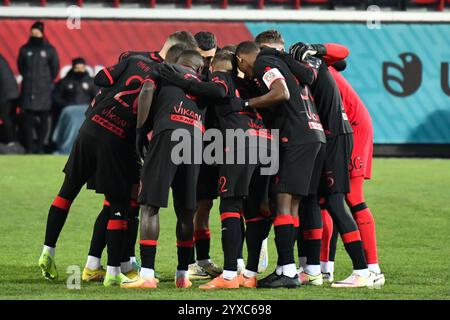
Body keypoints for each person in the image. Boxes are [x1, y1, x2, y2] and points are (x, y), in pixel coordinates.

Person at [38, 55, 156, 288]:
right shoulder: (154, 74)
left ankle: (50, 251)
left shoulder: (118, 77)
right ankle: (117, 268)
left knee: (67, 192)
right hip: (116, 140)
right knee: (119, 203)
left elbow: (100, 79)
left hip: (88, 131)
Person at [81, 42, 192, 283]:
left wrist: (140, 132)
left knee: (131, 204)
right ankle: (114, 267)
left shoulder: (150, 70)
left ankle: (123, 267)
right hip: (131, 140)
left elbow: (109, 82)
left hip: (127, 139)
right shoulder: (193, 81)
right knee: (124, 203)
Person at [236, 41, 325, 288]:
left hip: (296, 137)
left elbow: (280, 92)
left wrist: (246, 104)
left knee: (282, 201)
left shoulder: (264, 62)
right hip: (313, 134)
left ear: (242, 60)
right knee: (293, 205)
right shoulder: (283, 62)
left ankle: (287, 272)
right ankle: (287, 268)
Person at [123, 50, 210, 289]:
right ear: (199, 68)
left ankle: (148, 274)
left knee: (150, 205)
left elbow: (147, 90)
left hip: (168, 134)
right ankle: (183, 275)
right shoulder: (205, 85)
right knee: (186, 211)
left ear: (177, 63)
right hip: (195, 140)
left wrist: (141, 131)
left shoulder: (164, 73)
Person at [319, 63, 385, 287]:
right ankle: (325, 267)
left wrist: (318, 48)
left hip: (354, 130)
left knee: (353, 198)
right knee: (329, 197)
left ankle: (372, 269)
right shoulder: (318, 68)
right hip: (342, 131)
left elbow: (343, 55)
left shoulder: (315, 67)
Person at [187, 31, 223, 279]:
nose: (207, 63)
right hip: (188, 144)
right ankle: (188, 263)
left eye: (210, 58)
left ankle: (203, 259)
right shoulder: (185, 72)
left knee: (206, 204)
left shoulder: (218, 73)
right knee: (189, 205)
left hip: (213, 144)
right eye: (203, 58)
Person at [18, 21, 59, 153]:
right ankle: (30, 147)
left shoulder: (49, 50)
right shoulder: (24, 49)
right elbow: (21, 67)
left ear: (42, 33)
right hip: (28, 89)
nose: (35, 34)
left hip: (44, 91)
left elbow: (54, 69)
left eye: (37, 32)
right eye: (33, 32)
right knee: (27, 119)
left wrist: (45, 82)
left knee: (43, 119)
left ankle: (40, 147)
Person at [51, 57, 97, 154]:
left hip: (87, 110)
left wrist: (91, 106)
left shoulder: (92, 82)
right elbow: (56, 97)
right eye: (77, 68)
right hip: (69, 111)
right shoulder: (64, 82)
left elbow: (98, 97)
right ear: (72, 68)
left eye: (82, 68)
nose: (80, 70)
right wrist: (66, 106)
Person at [0, 53, 20, 147]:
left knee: (5, 116)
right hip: (12, 92)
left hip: (5, 93)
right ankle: (14, 140)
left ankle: (11, 141)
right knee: (10, 117)